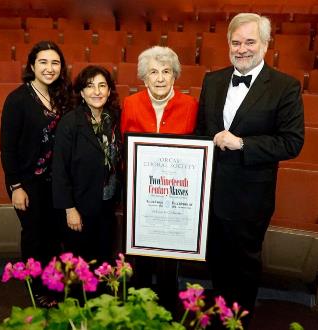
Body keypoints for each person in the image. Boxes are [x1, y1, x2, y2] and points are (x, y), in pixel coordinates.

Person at [195, 13, 304, 325]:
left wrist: (243, 144)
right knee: (216, 263)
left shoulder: (285, 87)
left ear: (265, 44)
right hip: (211, 196)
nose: (241, 48)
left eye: (249, 41)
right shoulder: (212, 80)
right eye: (236, 42)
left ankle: (239, 322)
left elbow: (291, 142)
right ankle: (220, 319)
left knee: (244, 269)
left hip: (250, 198)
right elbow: (202, 132)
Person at [120, 46, 198, 314]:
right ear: (144, 77)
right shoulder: (131, 103)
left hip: (175, 195)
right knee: (139, 255)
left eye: (166, 71)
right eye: (153, 72)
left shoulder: (190, 106)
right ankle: (137, 305)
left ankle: (167, 305)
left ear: (175, 76)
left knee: (169, 257)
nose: (160, 78)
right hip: (141, 194)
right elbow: (123, 147)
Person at [0, 40, 72, 307]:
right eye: (43, 62)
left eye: (55, 62)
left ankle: (53, 284)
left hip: (56, 182)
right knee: (34, 236)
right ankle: (36, 289)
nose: (49, 68)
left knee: (54, 237)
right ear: (32, 65)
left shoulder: (63, 96)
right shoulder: (17, 99)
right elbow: (7, 148)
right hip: (28, 182)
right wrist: (15, 186)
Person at [52, 65, 121, 265]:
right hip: (80, 205)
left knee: (104, 260)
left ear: (109, 91)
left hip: (107, 204)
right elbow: (60, 169)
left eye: (102, 86)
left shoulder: (114, 118)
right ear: (81, 92)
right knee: (80, 264)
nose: (97, 92)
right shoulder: (70, 122)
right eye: (90, 86)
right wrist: (69, 209)